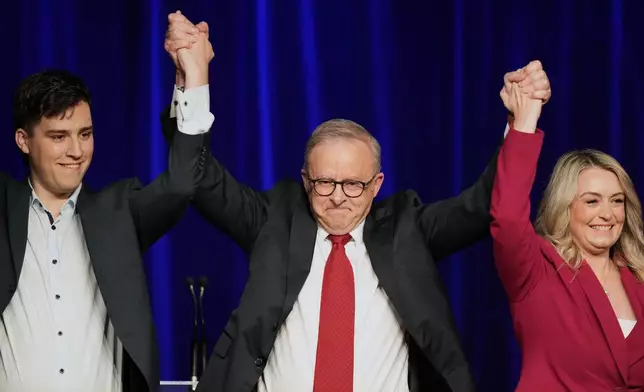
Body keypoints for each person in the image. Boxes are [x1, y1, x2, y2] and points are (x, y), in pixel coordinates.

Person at [164, 13, 551, 392]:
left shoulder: (407, 228)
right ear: (304, 179)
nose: (336, 197)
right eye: (324, 183)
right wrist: (193, 79)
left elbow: (483, 205)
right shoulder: (274, 220)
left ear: (377, 183)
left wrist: (522, 120)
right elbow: (199, 181)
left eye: (352, 184)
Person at [0, 26, 214, 392]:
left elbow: (182, 184)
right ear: (23, 140)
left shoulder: (117, 213)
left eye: (85, 134)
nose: (76, 151)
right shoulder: (4, 210)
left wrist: (191, 79)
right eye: (58, 137)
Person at [491, 70, 644, 390]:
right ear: (565, 207)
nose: (607, 214)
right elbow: (507, 215)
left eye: (617, 201)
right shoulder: (535, 271)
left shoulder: (638, 275)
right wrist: (526, 118)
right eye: (591, 201)